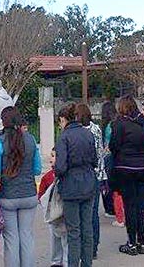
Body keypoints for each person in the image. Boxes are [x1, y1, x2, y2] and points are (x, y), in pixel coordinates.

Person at [0, 107, 42, 267]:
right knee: (27, 235)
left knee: (11, 238)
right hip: (29, 194)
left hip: (7, 196)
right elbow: (37, 169)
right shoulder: (31, 140)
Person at [109, 96, 144, 256]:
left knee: (130, 205)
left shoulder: (120, 124)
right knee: (140, 205)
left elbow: (114, 145)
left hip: (126, 167)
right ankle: (141, 242)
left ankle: (132, 242)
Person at [55, 102, 97, 267]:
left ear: (64, 119)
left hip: (71, 187)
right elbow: (94, 160)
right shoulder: (88, 134)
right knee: (87, 229)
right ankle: (87, 263)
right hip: (88, 183)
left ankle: (73, 264)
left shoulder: (64, 137)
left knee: (73, 231)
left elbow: (60, 166)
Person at [75, 102, 106, 258]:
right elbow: (100, 152)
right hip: (97, 175)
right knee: (93, 213)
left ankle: (83, 246)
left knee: (82, 214)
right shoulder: (96, 129)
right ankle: (93, 247)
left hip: (83, 175)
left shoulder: (78, 132)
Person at [38, 148, 67, 267]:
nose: (51, 158)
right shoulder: (47, 177)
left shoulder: (64, 176)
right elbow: (41, 194)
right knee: (55, 238)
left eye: (53, 156)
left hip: (62, 212)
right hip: (52, 213)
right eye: (51, 155)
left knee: (65, 238)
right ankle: (56, 261)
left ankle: (65, 261)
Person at [100, 100, 117, 218]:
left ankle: (108, 207)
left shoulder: (104, 125)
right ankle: (113, 207)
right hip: (113, 155)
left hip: (105, 156)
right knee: (112, 183)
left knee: (105, 182)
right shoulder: (114, 124)